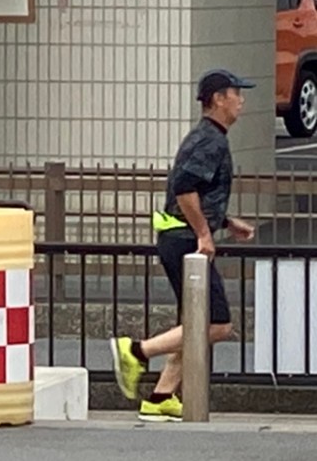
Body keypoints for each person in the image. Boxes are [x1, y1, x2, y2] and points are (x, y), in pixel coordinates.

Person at [110, 69, 257, 422]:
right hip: (185, 241)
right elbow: (185, 189)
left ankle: (161, 396)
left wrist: (224, 221)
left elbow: (194, 193)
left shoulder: (209, 136)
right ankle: (136, 351)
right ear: (218, 99)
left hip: (180, 237)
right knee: (217, 324)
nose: (242, 100)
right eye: (237, 93)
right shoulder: (212, 140)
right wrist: (205, 234)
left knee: (196, 321)